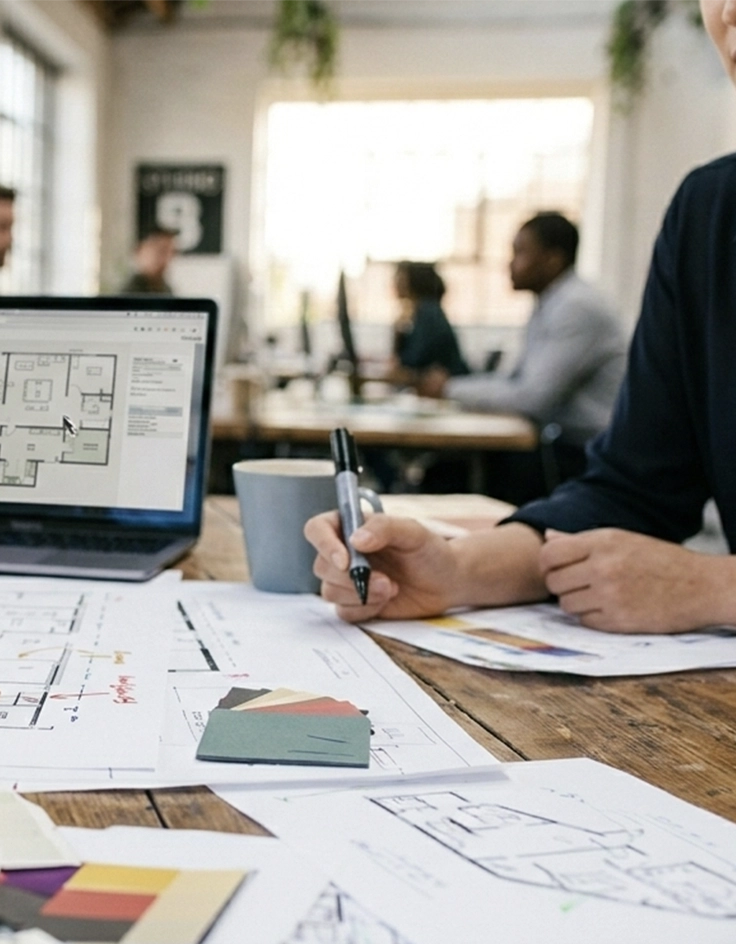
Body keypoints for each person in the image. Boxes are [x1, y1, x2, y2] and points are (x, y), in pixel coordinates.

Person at [305, 0, 736, 638]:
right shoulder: (709, 215)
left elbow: (533, 398)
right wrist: (454, 570)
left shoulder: (579, 305)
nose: (728, 10)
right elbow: (635, 493)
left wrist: (717, 588)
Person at [418, 213, 627, 492]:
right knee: (446, 470)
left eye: (520, 253)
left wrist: (449, 389)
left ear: (553, 259)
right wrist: (454, 387)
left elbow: (531, 398)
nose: (510, 264)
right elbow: (515, 382)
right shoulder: (551, 303)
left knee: (448, 477)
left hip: (583, 453)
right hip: (558, 443)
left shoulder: (576, 307)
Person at [390, 261, 468, 380]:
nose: (395, 282)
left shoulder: (428, 312)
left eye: (400, 277)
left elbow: (414, 359)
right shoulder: (423, 310)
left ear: (414, 281)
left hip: (449, 381)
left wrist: (399, 335)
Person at [118, 226, 178, 294]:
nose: (167, 260)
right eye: (161, 251)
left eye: (171, 253)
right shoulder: (129, 293)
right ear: (139, 250)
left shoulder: (165, 290)